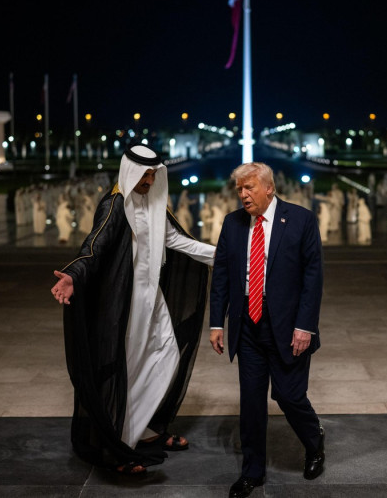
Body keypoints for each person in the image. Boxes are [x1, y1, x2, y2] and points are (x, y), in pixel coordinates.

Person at [50, 144, 215, 475]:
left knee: (166, 356)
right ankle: (118, 443)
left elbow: (179, 242)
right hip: (125, 303)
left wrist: (225, 255)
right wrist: (73, 274)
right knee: (128, 368)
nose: (149, 180)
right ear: (130, 172)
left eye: (154, 174)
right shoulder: (115, 204)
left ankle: (142, 428)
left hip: (152, 300)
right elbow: (94, 245)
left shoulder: (155, 204)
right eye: (144, 174)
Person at [209, 162, 325, 498]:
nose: (243, 195)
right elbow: (221, 276)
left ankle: (314, 442)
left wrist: (306, 326)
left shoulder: (300, 219)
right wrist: (218, 322)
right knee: (252, 402)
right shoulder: (232, 224)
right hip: (247, 326)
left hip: (288, 327)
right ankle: (252, 472)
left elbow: (312, 278)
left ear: (269, 187)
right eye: (239, 189)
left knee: (288, 396)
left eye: (249, 188)